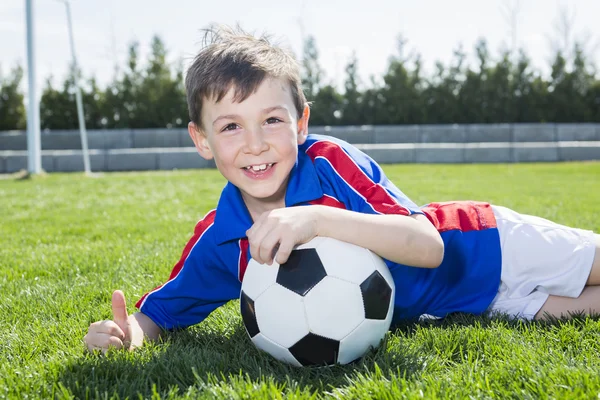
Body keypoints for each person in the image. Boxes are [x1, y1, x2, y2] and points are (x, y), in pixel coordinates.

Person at [84, 26, 600, 354]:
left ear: (302, 122)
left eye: (271, 119)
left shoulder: (329, 161)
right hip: (470, 305)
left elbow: (429, 246)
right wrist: (126, 335)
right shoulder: (222, 239)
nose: (256, 145)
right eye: (231, 127)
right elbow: (160, 312)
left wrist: (315, 219)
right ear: (201, 140)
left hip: (488, 245)